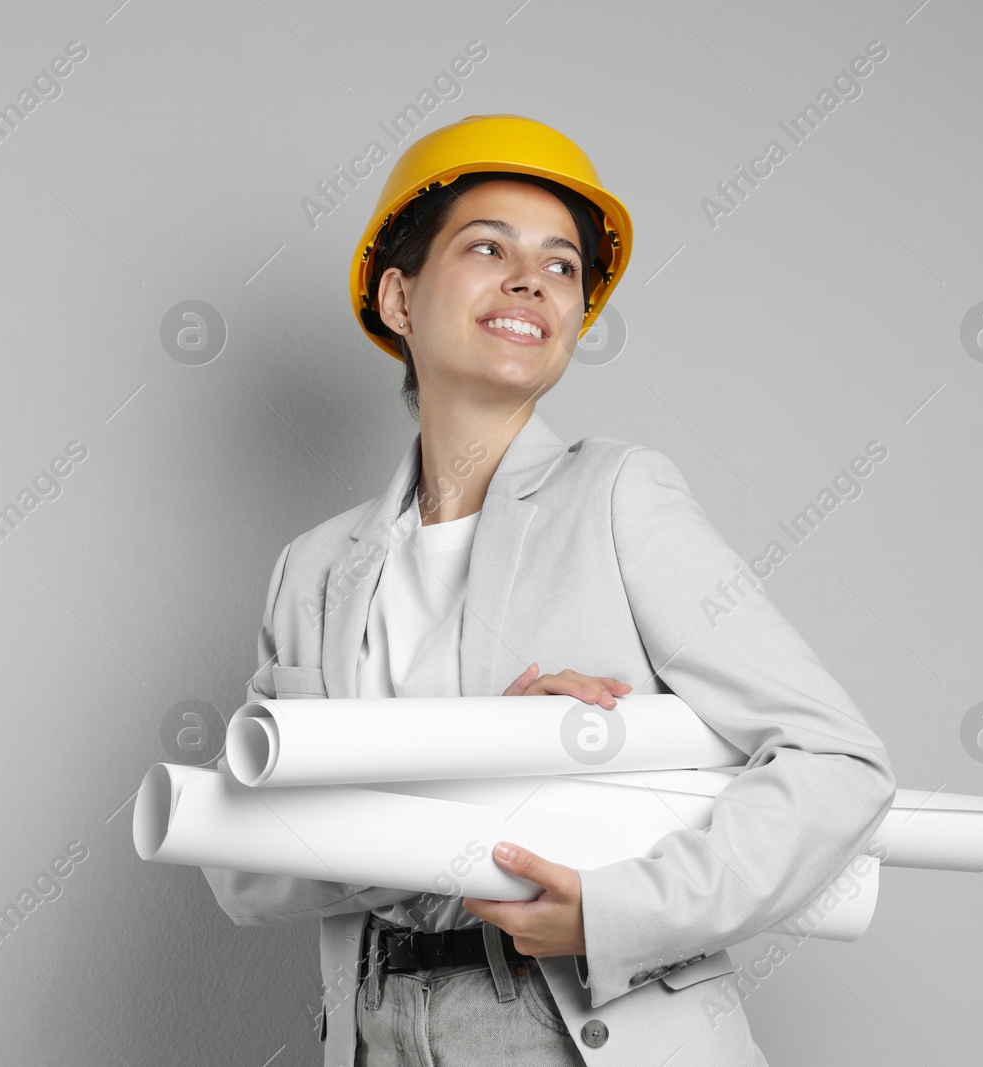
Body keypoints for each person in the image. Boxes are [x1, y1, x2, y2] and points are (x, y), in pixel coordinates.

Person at [200, 114, 896, 1067]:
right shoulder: (314, 569)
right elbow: (241, 867)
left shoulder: (616, 496)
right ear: (399, 297)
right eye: (488, 247)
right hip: (373, 1025)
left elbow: (836, 760)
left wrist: (616, 913)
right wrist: (484, 754)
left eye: (562, 265)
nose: (532, 280)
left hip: (566, 1018)